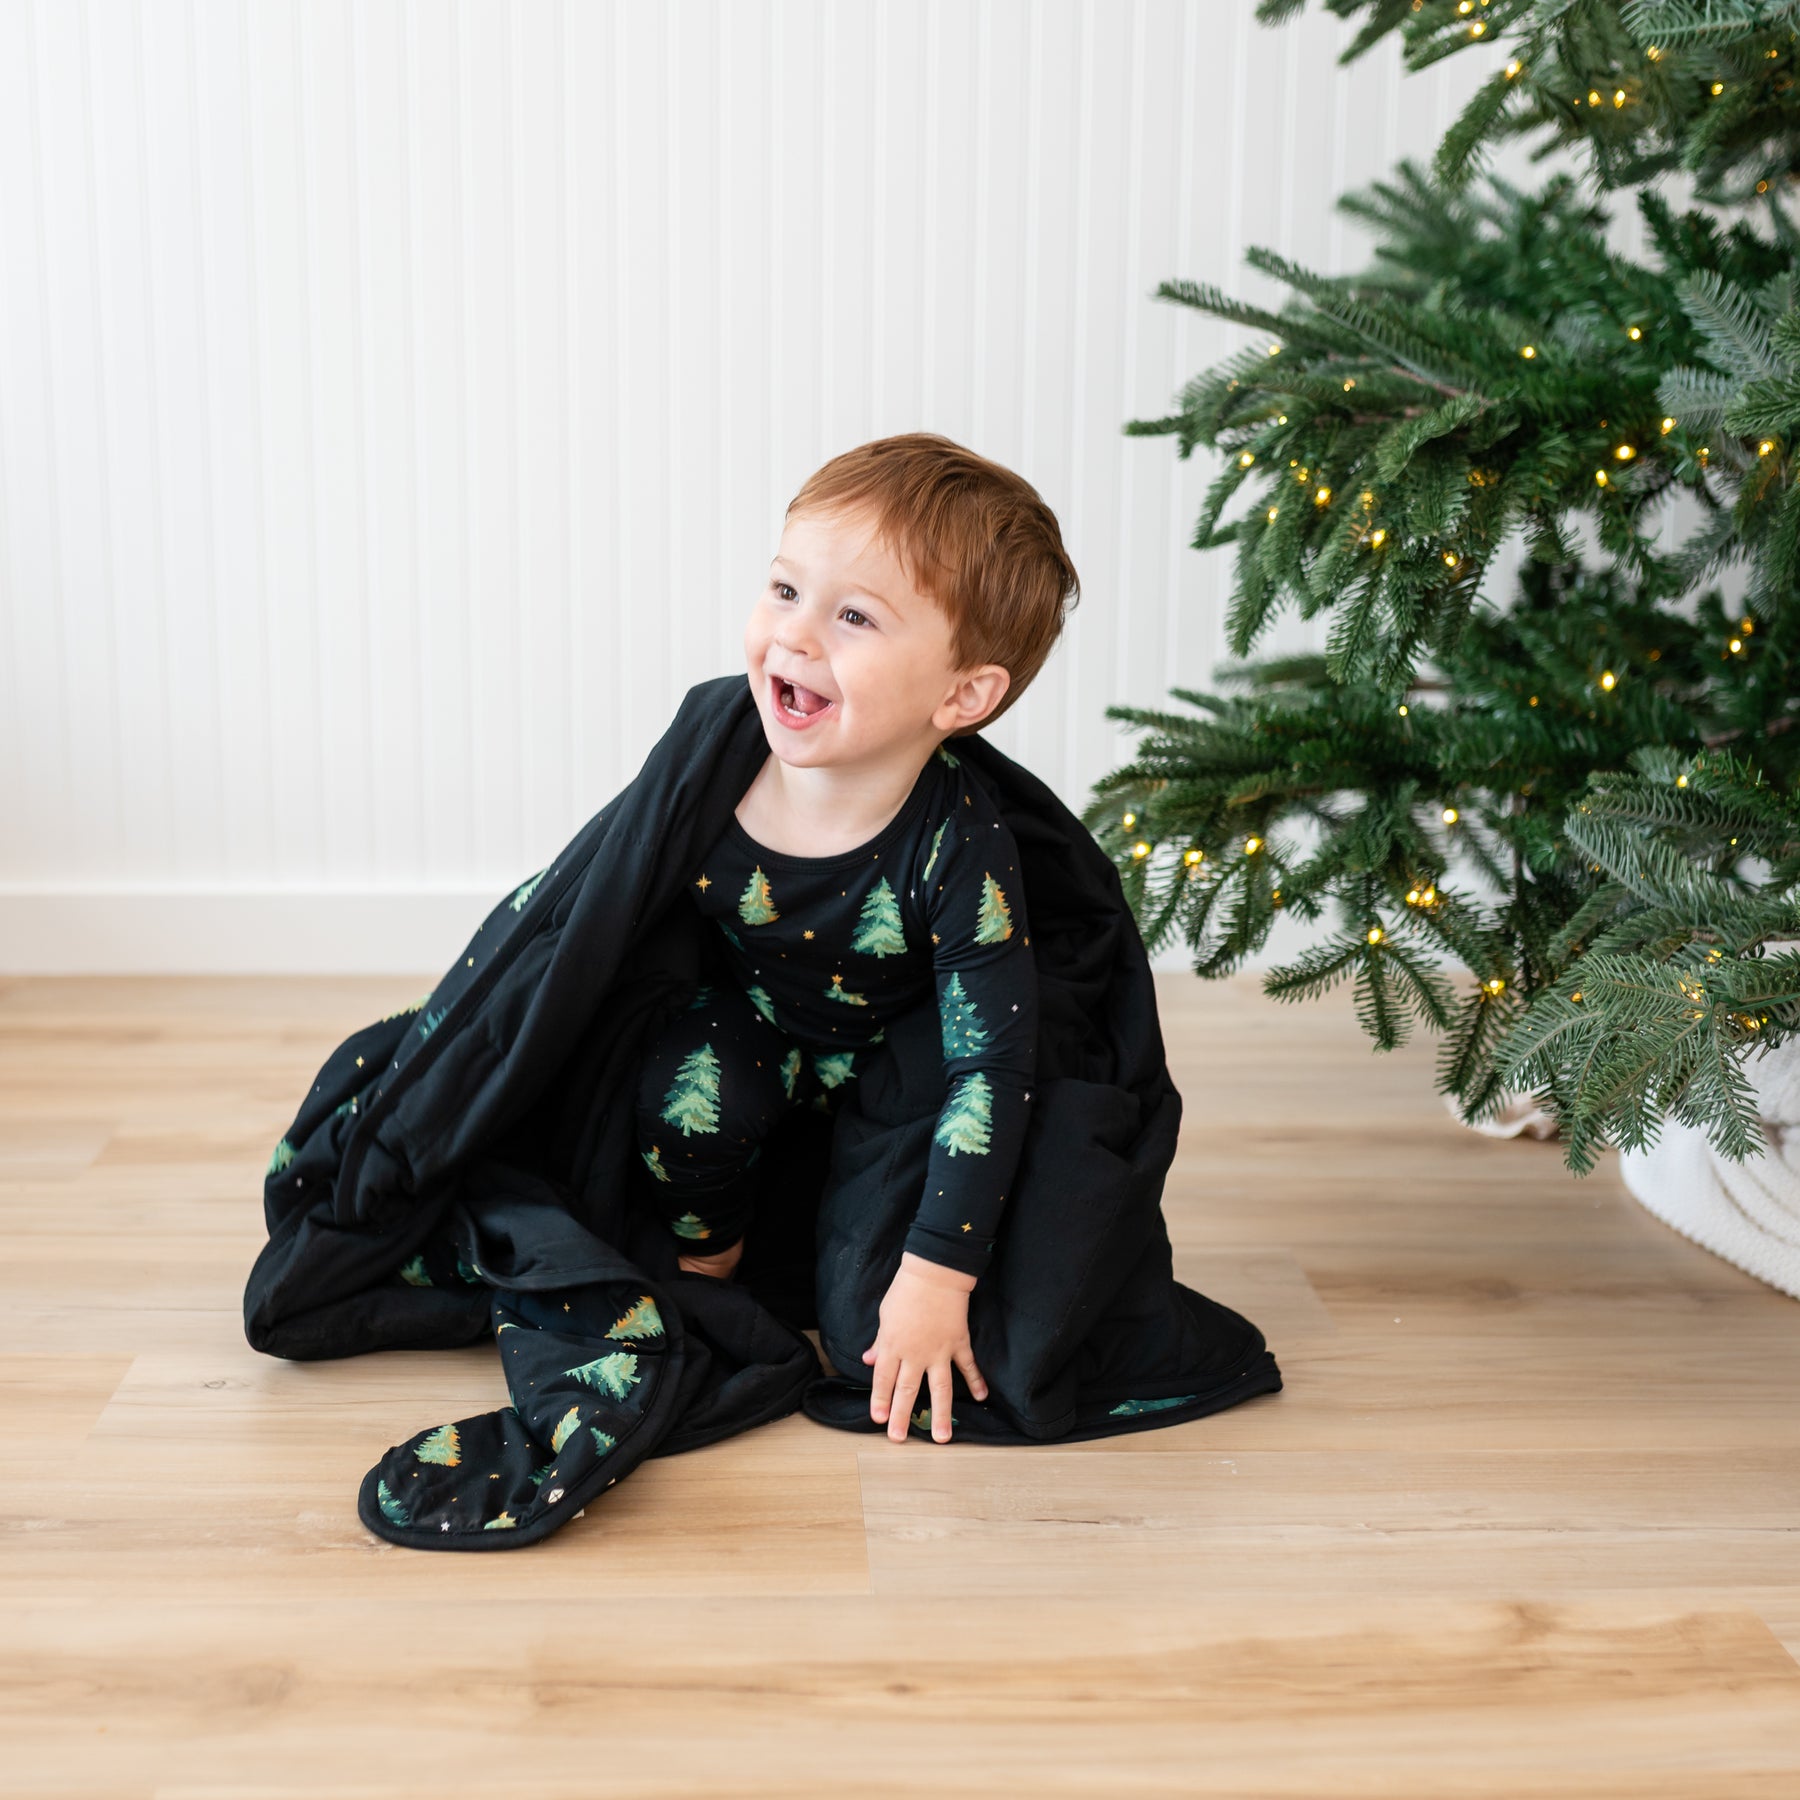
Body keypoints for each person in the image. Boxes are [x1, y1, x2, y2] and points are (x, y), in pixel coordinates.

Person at [631, 431, 1080, 1447]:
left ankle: (848, 1246)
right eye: (785, 591)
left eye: (853, 616)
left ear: (962, 695)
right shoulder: (717, 747)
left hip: (898, 1064)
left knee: (861, 1323)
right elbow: (597, 906)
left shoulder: (958, 841)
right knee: (683, 1097)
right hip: (750, 1023)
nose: (795, 638)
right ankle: (711, 1266)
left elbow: (992, 1068)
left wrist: (937, 1278)